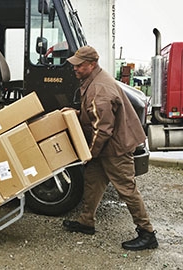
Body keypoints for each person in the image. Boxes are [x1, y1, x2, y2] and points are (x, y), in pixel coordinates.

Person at [62, 45, 158, 251]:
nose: (75, 69)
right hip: (107, 144)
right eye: (75, 65)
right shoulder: (94, 80)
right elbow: (96, 113)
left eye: (79, 66)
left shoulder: (100, 89)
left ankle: (147, 233)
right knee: (93, 180)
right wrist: (78, 113)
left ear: (92, 64)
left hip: (115, 147)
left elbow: (103, 128)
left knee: (126, 188)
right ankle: (86, 221)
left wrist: (90, 152)